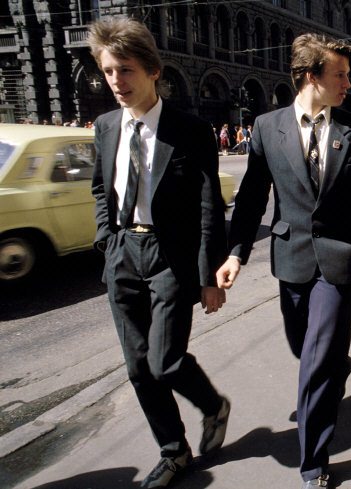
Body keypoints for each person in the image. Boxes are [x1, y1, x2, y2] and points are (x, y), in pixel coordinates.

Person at [216, 33, 351, 488]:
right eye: (340, 74)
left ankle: (314, 462)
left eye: (348, 75)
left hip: (339, 257)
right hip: (290, 256)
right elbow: (253, 196)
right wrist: (236, 252)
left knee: (314, 361)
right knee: (304, 348)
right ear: (311, 76)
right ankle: (338, 364)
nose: (348, 83)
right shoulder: (266, 127)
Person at [89, 18, 231, 488]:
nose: (116, 82)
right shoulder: (107, 126)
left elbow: (211, 205)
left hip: (172, 256)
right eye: (109, 72)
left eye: (125, 70)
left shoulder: (190, 130)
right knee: (137, 367)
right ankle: (174, 451)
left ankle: (213, 405)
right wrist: (107, 243)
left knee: (165, 360)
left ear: (153, 71)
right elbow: (100, 190)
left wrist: (209, 275)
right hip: (124, 251)